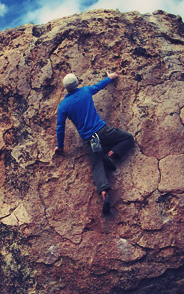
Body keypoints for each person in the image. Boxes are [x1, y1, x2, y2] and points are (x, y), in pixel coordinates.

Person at [55, 72, 135, 215]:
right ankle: (111, 153)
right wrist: (110, 77)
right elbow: (99, 86)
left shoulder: (63, 106)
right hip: (103, 131)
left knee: (97, 165)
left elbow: (60, 127)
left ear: (65, 87)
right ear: (77, 83)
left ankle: (104, 193)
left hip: (88, 139)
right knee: (128, 138)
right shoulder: (86, 91)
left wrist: (60, 147)